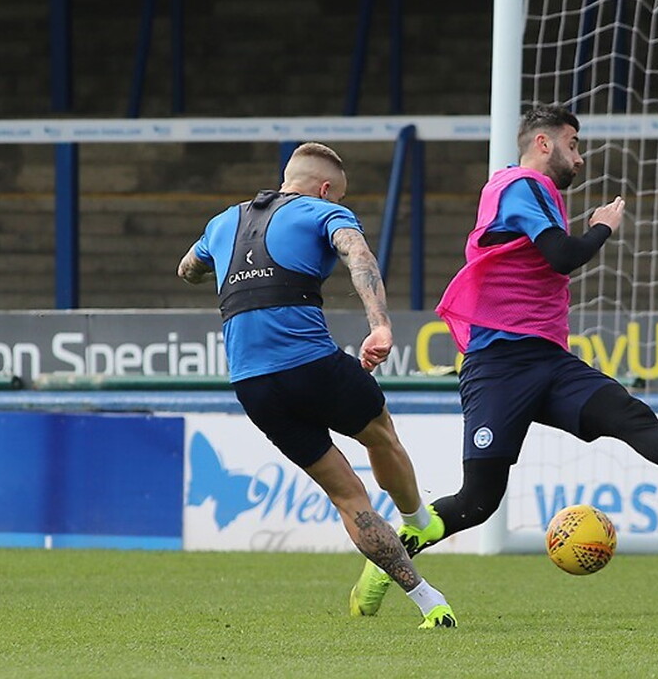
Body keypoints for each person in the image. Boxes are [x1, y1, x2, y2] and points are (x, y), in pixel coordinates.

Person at [390, 103, 658, 559]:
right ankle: (387, 562)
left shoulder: (533, 193)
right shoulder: (520, 185)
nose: (579, 158)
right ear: (543, 143)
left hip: (548, 360)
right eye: (572, 144)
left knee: (628, 414)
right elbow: (563, 256)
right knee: (478, 501)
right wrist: (601, 228)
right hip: (500, 364)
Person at [177, 142, 455, 627]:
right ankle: (417, 520)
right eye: (339, 198)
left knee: (347, 497)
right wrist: (380, 326)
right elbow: (357, 253)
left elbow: (187, 270)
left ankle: (430, 602)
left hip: (253, 385)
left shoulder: (222, 222)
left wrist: (223, 268)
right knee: (380, 433)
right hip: (310, 365)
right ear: (326, 190)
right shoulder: (320, 212)